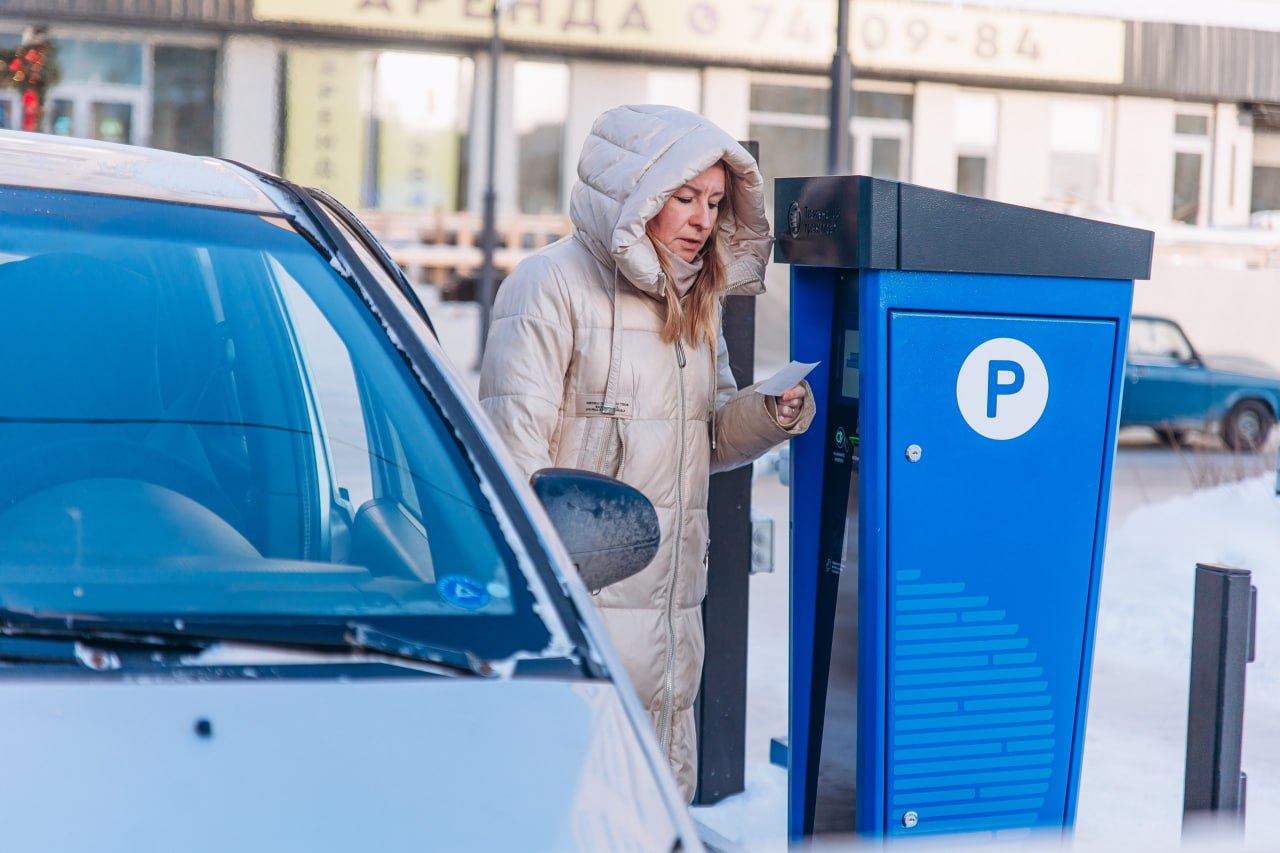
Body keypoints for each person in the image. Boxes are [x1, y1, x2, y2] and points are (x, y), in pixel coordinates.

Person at [478, 104, 814, 800]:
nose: (702, 220)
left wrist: (768, 412)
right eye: (685, 198)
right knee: (577, 806)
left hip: (671, 619)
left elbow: (705, 436)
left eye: (714, 203)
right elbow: (513, 466)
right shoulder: (549, 288)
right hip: (585, 616)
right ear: (634, 191)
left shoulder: (695, 301)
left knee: (656, 802)